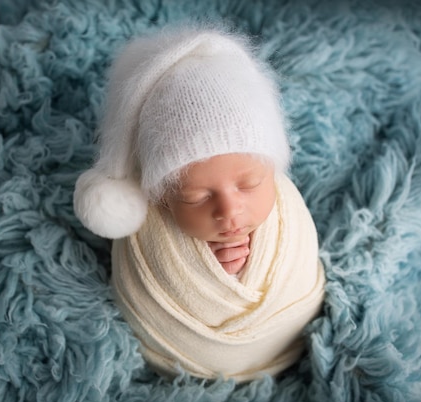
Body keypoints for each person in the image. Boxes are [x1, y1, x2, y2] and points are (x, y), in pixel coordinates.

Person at [73, 26, 325, 381]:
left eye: (250, 183)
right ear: (161, 196)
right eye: (197, 197)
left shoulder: (286, 213)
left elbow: (296, 265)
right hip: (183, 357)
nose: (229, 211)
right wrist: (210, 269)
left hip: (286, 338)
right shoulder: (150, 223)